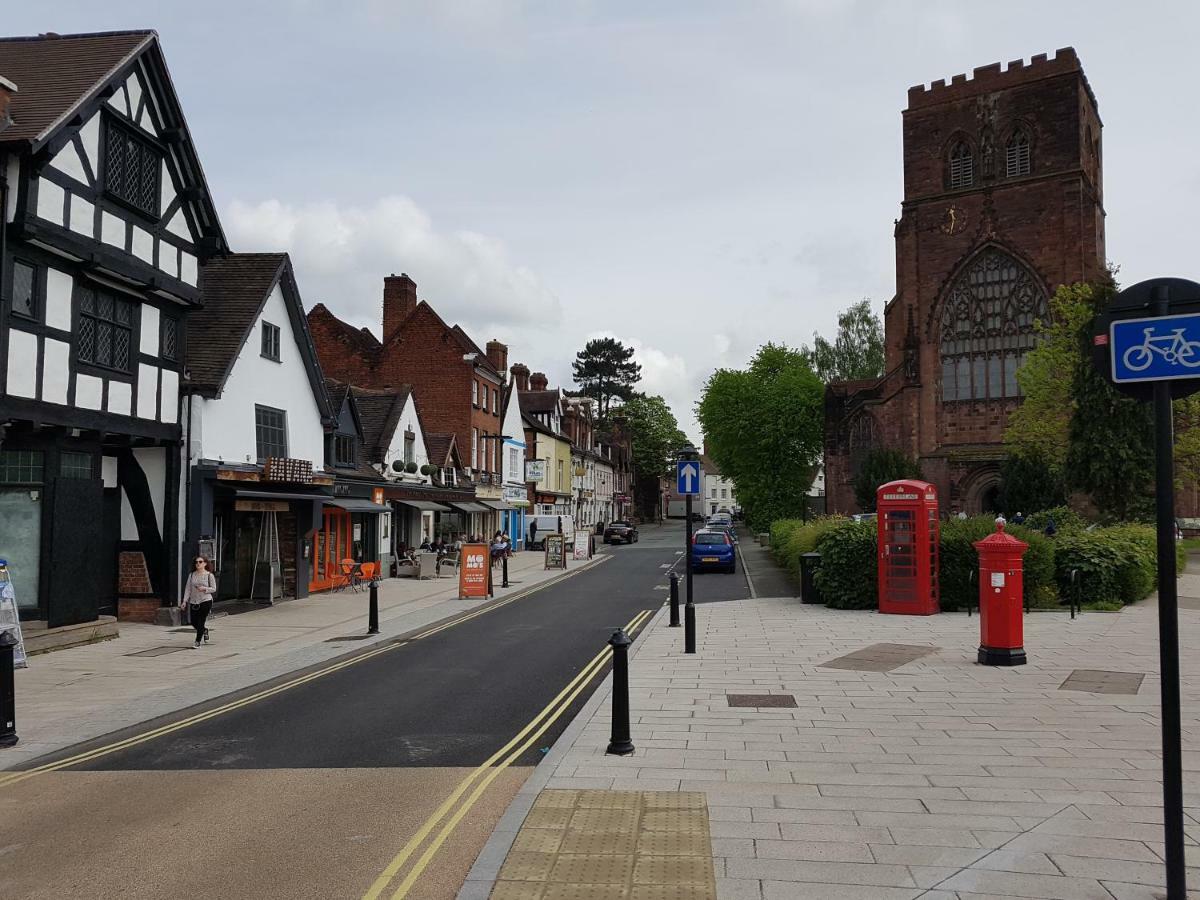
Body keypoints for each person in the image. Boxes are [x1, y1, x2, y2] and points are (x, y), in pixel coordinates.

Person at [180, 556, 216, 649]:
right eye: (196, 562)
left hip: (206, 600)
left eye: (200, 562)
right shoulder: (192, 575)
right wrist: (184, 601)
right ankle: (204, 630)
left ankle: (197, 641)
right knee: (193, 621)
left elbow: (214, 589)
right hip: (194, 601)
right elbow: (188, 588)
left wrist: (204, 588)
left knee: (201, 620)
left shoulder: (209, 575)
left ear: (205, 563)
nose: (198, 564)